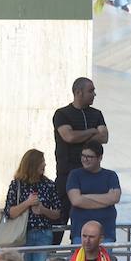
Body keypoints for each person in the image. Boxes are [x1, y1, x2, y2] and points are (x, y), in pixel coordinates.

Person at [4, 148, 63, 261]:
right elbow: (9, 212)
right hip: (23, 235)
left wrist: (42, 209)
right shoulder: (17, 185)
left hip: (43, 234)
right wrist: (27, 203)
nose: (44, 165)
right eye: (41, 162)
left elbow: (57, 213)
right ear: (32, 164)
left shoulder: (49, 185)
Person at [53, 78, 109, 235]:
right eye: (90, 91)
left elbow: (104, 137)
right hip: (67, 175)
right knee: (59, 221)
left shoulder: (96, 114)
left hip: (90, 179)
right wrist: (92, 131)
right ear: (78, 92)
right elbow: (69, 136)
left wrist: (80, 135)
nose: (94, 94)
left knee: (84, 226)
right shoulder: (62, 114)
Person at [66, 144, 121, 244]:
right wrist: (106, 199)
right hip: (80, 234)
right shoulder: (74, 175)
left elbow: (115, 198)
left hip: (106, 233)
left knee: (104, 260)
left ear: (100, 158)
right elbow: (76, 200)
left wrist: (84, 197)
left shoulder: (110, 175)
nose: (85, 159)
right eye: (83, 156)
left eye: (89, 157)